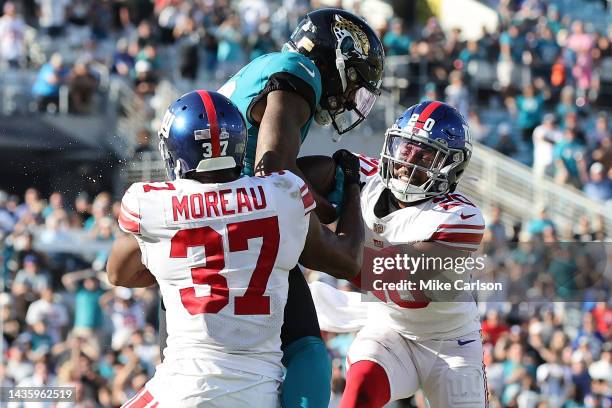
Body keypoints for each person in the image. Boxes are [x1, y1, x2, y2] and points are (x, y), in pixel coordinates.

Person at [106, 90, 364, 407]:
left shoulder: (152, 204)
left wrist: (180, 267)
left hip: (185, 389)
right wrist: (352, 186)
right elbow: (347, 259)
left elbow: (117, 273)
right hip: (262, 393)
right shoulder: (283, 193)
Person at [216, 8, 384, 407]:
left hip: (206, 215)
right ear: (334, 57)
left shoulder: (265, 68)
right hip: (240, 215)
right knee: (309, 351)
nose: (348, 97)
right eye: (353, 82)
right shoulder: (299, 74)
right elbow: (272, 171)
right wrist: (339, 205)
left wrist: (325, 198)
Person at [309, 101, 488, 407]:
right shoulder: (368, 178)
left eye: (424, 154)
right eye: (406, 148)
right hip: (389, 324)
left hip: (450, 342)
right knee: (359, 392)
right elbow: (289, 176)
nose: (409, 161)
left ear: (450, 165)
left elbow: (394, 277)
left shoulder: (459, 216)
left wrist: (314, 240)